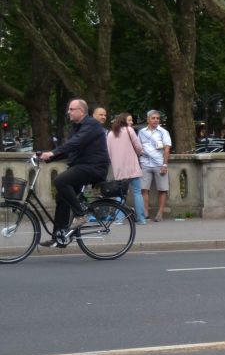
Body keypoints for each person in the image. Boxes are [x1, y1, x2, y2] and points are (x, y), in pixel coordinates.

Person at [38, 99, 109, 246]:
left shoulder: (91, 125)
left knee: (60, 181)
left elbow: (75, 143)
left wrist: (51, 153)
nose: (68, 112)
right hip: (82, 166)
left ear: (81, 111)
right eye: (68, 109)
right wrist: (45, 158)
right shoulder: (76, 127)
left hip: (94, 167)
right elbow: (69, 149)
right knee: (62, 197)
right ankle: (59, 237)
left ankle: (80, 215)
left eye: (71, 109)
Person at [106, 112, 146, 225]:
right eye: (129, 120)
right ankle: (141, 219)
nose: (132, 122)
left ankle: (119, 219)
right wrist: (141, 152)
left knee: (120, 194)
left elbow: (108, 153)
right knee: (137, 192)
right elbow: (137, 146)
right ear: (124, 120)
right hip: (132, 166)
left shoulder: (110, 134)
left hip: (119, 168)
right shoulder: (129, 130)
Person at [137, 109, 173, 222]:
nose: (156, 120)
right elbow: (138, 146)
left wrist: (165, 164)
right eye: (153, 118)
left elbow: (167, 149)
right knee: (144, 189)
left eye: (157, 118)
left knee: (162, 189)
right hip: (145, 164)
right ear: (148, 119)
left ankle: (159, 213)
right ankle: (145, 213)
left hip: (159, 164)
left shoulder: (163, 132)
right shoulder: (142, 132)